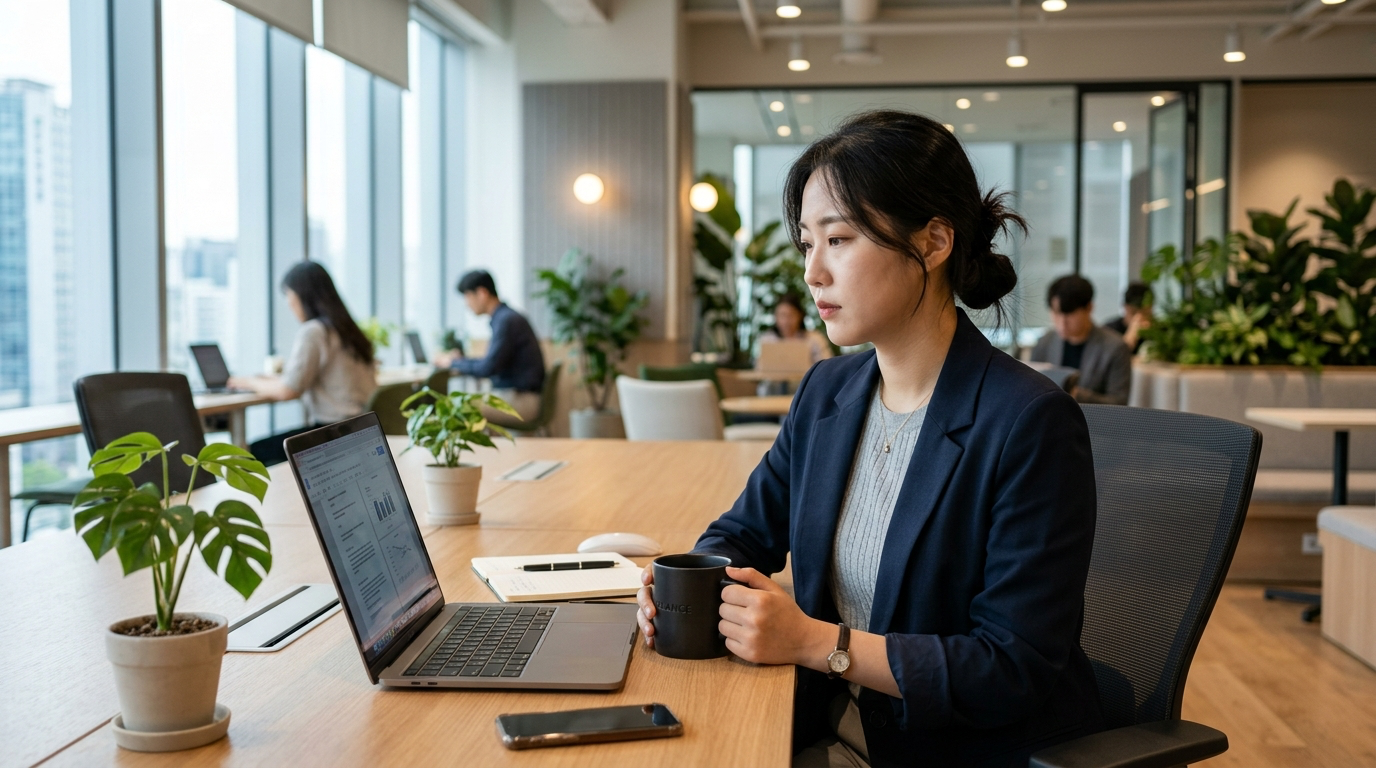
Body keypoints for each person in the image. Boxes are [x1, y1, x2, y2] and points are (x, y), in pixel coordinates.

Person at [635, 111, 1103, 768]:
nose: (813, 273)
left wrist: (817, 642)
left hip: (949, 751)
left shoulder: (1029, 422)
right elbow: (742, 534)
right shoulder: (827, 393)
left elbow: (1010, 666)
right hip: (820, 725)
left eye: (839, 239)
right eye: (807, 244)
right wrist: (681, 585)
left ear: (934, 242)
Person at [230, 261, 377, 466]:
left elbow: (288, 390)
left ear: (303, 297)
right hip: (362, 430)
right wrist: (270, 380)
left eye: (290, 298)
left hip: (333, 434)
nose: (290, 306)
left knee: (247, 453)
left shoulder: (314, 331)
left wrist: (248, 382)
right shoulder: (347, 330)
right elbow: (300, 380)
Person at [431, 270, 544, 428]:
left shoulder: (506, 321)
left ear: (482, 293)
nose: (466, 303)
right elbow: (490, 362)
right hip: (521, 396)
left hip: (522, 401)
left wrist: (452, 363)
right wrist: (459, 361)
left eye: (468, 296)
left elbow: (487, 368)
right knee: (463, 401)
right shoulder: (507, 317)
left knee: (456, 406)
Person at [1031, 275, 1132, 405]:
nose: (1062, 322)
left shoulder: (1115, 348)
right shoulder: (1045, 342)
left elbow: (1119, 403)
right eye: (1056, 313)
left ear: (1089, 308)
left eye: (1069, 314)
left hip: (1091, 417)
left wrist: (1076, 394)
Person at [758, 292, 834, 365]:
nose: (786, 321)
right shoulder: (767, 340)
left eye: (791, 315)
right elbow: (760, 368)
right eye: (782, 315)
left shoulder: (815, 339)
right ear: (775, 316)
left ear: (800, 316)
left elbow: (827, 366)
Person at [1104, 281, 1151, 354]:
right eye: (1133, 312)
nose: (1139, 318)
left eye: (1145, 313)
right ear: (1124, 307)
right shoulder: (1110, 330)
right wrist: (1132, 334)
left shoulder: (1162, 330)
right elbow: (1110, 357)